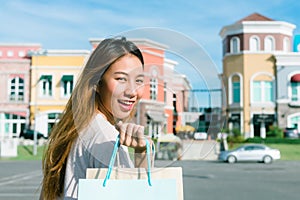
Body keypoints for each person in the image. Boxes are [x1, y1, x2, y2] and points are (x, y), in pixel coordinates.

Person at [40, 37, 151, 200]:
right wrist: (142, 155)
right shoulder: (107, 139)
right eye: (121, 79)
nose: (133, 91)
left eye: (139, 80)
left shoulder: (75, 128)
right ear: (97, 83)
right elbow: (136, 195)